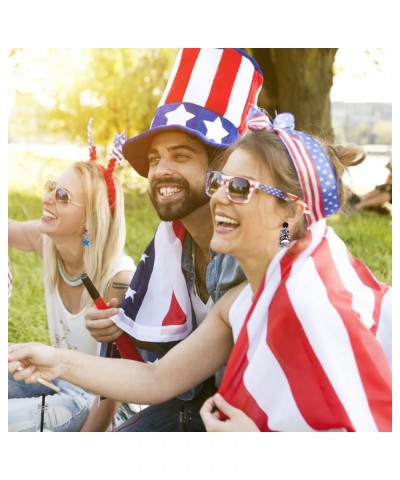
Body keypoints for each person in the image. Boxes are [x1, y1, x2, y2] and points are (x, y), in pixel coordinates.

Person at [9, 109, 392, 432]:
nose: (220, 196)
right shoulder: (245, 295)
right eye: (219, 182)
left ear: (291, 213)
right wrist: (57, 359)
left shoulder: (309, 303)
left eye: (240, 187)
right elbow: (159, 378)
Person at [84, 47, 264, 431]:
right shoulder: (171, 242)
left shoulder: (254, 248)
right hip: (200, 401)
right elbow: (164, 352)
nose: (161, 170)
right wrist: (123, 318)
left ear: (221, 166)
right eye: (153, 159)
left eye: (180, 156)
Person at [8, 129, 136, 432]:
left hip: (101, 404)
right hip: (58, 375)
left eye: (62, 196)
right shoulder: (47, 243)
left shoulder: (117, 281)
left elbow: (116, 388)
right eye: (52, 187)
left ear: (90, 221)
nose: (46, 198)